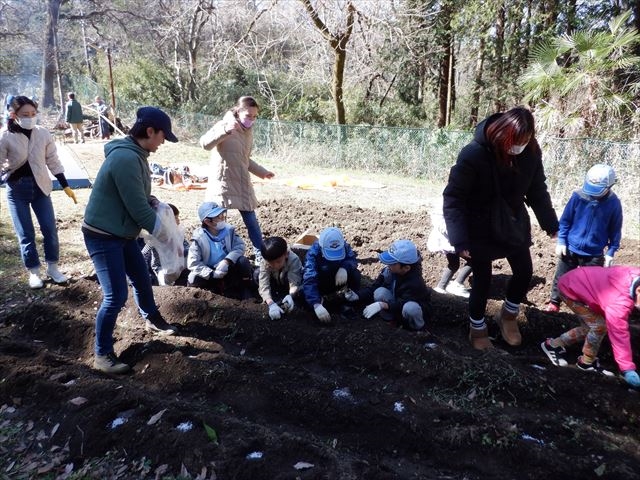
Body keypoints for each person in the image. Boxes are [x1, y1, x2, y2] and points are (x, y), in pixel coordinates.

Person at [443, 106, 559, 350]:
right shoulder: (474, 154)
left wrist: (551, 226)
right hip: (479, 225)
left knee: (524, 271)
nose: (518, 147)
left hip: (512, 221)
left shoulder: (530, 153)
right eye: (515, 142)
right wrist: (459, 240)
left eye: (525, 141)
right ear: (502, 134)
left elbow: (537, 190)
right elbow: (453, 197)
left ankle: (507, 315)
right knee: (482, 279)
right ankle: (477, 328)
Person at [82, 106, 179, 374]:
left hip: (122, 232)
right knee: (115, 296)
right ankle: (102, 355)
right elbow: (137, 209)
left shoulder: (137, 155)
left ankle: (152, 319)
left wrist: (152, 201)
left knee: (141, 275)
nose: (163, 142)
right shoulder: (125, 158)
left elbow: (135, 195)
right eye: (162, 136)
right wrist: (167, 238)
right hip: (103, 235)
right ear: (150, 131)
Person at [0, 95, 77, 289]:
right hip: (16, 189)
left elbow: (52, 159)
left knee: (49, 229)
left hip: (41, 187)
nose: (30, 117)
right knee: (25, 233)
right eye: (25, 114)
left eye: (33, 114)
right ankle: (34, 272)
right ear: (14, 114)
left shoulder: (43, 133)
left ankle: (53, 267)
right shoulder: (6, 136)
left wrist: (65, 184)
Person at [199, 96, 274, 262]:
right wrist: (225, 131)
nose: (251, 120)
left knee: (252, 222)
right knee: (217, 222)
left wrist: (262, 172)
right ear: (238, 111)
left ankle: (260, 255)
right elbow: (204, 144)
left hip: (241, 184)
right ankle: (210, 254)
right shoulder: (224, 125)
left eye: (255, 117)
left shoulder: (248, 133)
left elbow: (244, 159)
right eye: (248, 116)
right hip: (223, 184)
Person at [540, 266, 640, 388]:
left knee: (590, 326)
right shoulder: (618, 304)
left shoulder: (634, 275)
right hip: (570, 289)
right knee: (599, 326)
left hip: (581, 281)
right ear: (638, 291)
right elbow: (619, 334)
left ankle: (553, 344)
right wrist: (627, 368)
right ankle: (586, 363)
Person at [545, 164, 623, 313]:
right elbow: (566, 220)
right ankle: (555, 302)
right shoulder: (578, 197)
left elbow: (615, 229)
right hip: (570, 248)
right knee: (561, 277)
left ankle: (587, 309)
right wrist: (561, 241)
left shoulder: (614, 204)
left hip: (594, 253)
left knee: (592, 285)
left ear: (609, 186)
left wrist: (611, 251)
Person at [356, 239, 431, 331]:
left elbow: (403, 304)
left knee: (411, 308)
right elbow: (375, 286)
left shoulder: (415, 283)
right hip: (396, 304)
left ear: (406, 268)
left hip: (409, 310)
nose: (387, 265)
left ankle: (417, 330)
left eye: (392, 263)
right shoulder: (390, 270)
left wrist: (382, 305)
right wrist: (357, 296)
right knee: (379, 292)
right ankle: (390, 322)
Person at [187, 201, 254, 299]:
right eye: (218, 217)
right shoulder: (199, 238)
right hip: (209, 271)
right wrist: (211, 274)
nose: (222, 218)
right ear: (207, 221)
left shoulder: (229, 230)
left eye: (223, 215)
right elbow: (193, 263)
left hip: (228, 267)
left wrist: (227, 261)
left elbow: (239, 246)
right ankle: (211, 292)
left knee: (243, 262)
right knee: (193, 279)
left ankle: (244, 288)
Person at [302, 227, 361, 324]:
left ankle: (348, 302)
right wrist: (316, 304)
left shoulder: (344, 246)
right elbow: (309, 278)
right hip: (322, 282)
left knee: (355, 274)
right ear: (321, 247)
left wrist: (344, 268)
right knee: (303, 294)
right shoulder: (313, 253)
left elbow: (352, 259)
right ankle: (322, 302)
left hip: (339, 279)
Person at [427, 204, 472, 298]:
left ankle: (441, 287)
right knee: (474, 260)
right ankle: (457, 284)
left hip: (448, 239)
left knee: (453, 264)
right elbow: (444, 223)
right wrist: (460, 245)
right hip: (451, 240)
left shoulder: (447, 201)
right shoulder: (450, 204)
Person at [140, 202, 189, 286]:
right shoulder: (155, 238)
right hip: (162, 268)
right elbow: (144, 255)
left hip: (178, 266)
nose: (178, 221)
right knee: (164, 280)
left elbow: (186, 248)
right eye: (175, 218)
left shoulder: (177, 235)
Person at [258, 236, 303, 320]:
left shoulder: (293, 260)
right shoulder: (265, 261)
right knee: (256, 274)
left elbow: (294, 282)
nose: (275, 265)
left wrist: (291, 296)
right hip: (275, 283)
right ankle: (275, 297)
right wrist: (270, 303)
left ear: (285, 254)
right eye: (271, 263)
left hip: (288, 284)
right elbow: (263, 283)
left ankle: (288, 299)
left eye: (278, 261)